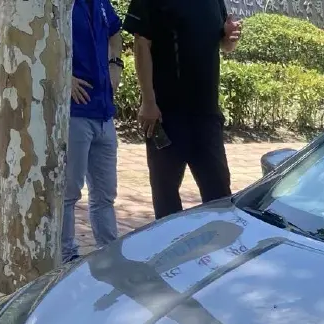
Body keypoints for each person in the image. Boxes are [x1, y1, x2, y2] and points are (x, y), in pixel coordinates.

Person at [123, 0, 242, 220]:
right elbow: (141, 44)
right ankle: (169, 249)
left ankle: (220, 251)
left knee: (220, 197)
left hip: (206, 114)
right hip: (166, 116)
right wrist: (148, 101)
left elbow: (224, 45)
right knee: (166, 199)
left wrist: (229, 37)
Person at [63, 0, 124, 264]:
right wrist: (63, 76)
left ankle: (109, 254)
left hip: (104, 113)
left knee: (105, 194)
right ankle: (65, 257)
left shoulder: (101, 2)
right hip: (74, 113)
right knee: (68, 192)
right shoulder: (59, 5)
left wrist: (115, 64)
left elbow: (115, 31)